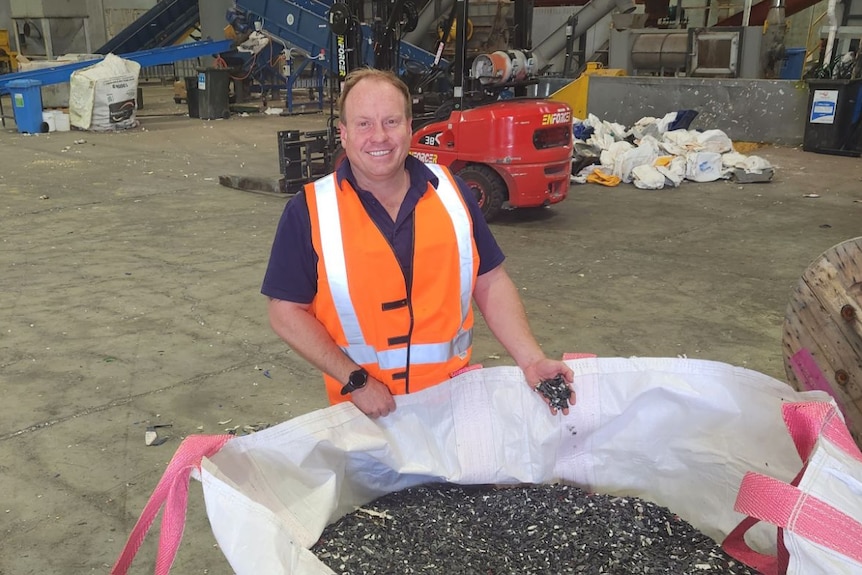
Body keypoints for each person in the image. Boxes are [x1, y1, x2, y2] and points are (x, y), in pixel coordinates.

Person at [262, 68, 573, 418]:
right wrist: (356, 380)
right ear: (344, 134)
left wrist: (531, 360)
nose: (379, 136)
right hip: (362, 414)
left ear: (410, 128)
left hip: (451, 408)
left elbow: (491, 281)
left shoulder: (453, 194)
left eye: (391, 121)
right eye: (363, 124)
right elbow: (285, 312)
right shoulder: (308, 210)